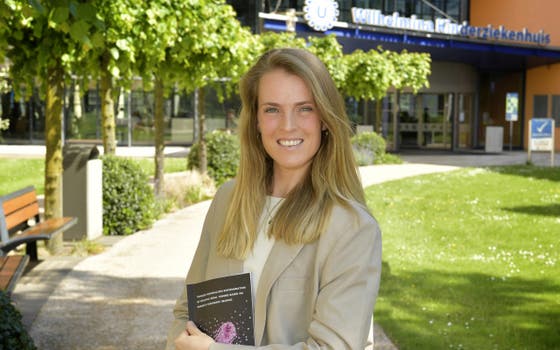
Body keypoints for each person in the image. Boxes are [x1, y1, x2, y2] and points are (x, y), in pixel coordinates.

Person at [166, 48, 382, 350]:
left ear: (325, 118)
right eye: (272, 109)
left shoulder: (352, 228)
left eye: (304, 108)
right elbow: (186, 313)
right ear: (255, 119)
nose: (287, 125)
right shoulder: (228, 201)